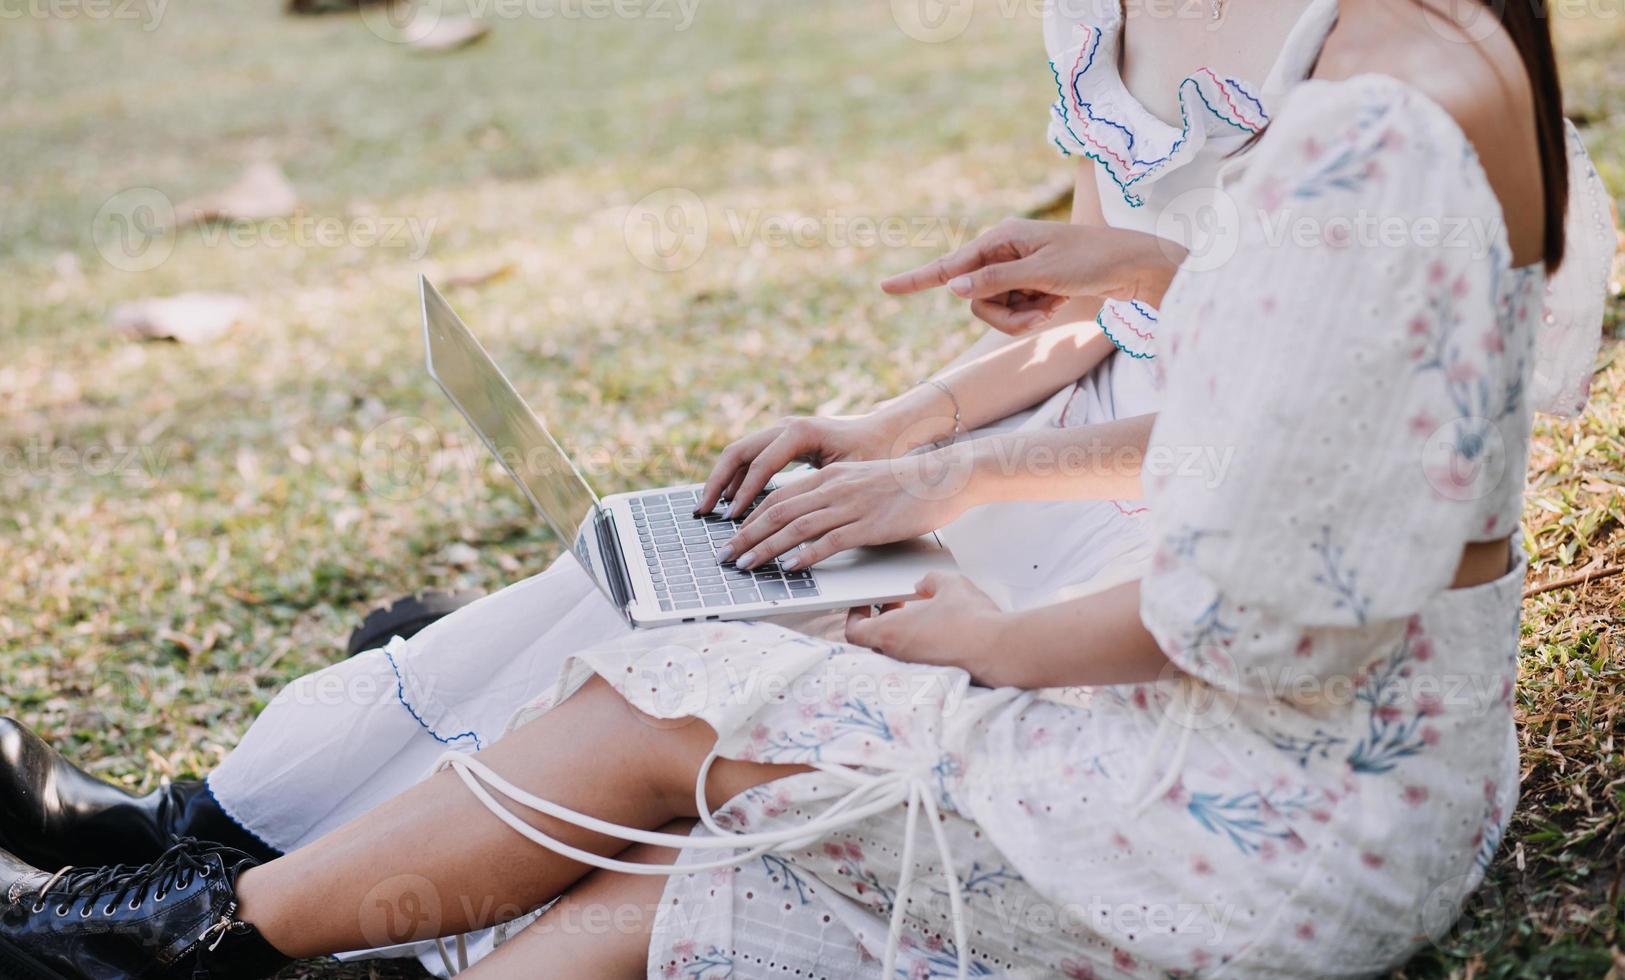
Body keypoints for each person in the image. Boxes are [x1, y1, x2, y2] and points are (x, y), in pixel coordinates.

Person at [1, 0, 1614, 977]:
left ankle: (177, 940)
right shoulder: (1375, 103)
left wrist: (972, 620)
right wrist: (1130, 283)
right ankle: (210, 892)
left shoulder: (1376, 128)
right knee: (688, 723)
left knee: (681, 700)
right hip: (1250, 725)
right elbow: (1307, 368)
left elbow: (1282, 606)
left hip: (1290, 792)